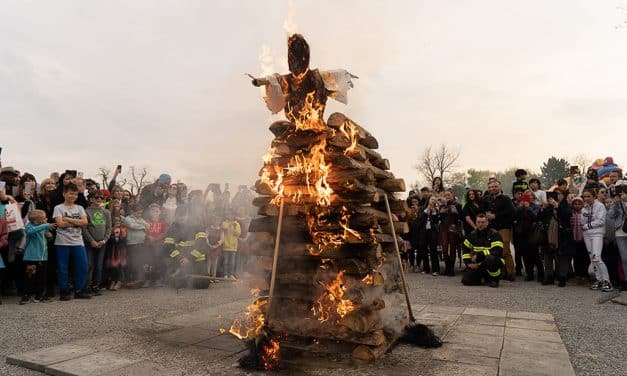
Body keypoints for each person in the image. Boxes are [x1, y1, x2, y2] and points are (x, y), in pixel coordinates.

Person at [53, 183, 90, 300]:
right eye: (71, 193)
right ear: (64, 194)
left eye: (75, 194)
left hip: (78, 241)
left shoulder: (79, 208)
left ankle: (79, 290)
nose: (73, 196)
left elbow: (85, 223)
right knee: (62, 267)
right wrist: (77, 221)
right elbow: (60, 224)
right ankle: (64, 291)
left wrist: (68, 219)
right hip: (62, 241)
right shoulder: (58, 208)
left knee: (83, 266)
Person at [163, 205, 209, 288]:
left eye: (183, 215)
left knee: (203, 283)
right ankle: (184, 280)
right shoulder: (171, 229)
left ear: (188, 215)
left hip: (197, 260)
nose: (181, 217)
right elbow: (168, 247)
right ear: (175, 216)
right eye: (179, 215)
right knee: (170, 280)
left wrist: (189, 258)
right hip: (180, 261)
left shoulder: (198, 226)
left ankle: (185, 281)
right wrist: (180, 259)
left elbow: (201, 245)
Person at [482, 180, 516, 280]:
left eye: (495, 186)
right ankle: (498, 272)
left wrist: (495, 216)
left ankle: (510, 273)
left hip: (504, 228)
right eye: (490, 187)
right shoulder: (486, 199)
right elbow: (481, 210)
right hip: (491, 229)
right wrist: (485, 215)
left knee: (505, 251)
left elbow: (512, 212)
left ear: (500, 187)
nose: (492, 188)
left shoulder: (506, 199)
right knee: (493, 251)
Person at [21, 210, 56, 304]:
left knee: (42, 278)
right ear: (36, 221)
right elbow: (30, 232)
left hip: (43, 257)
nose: (46, 219)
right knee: (30, 278)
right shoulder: (29, 227)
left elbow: (48, 239)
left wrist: (49, 236)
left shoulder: (43, 228)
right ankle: (26, 296)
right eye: (44, 218)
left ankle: (39, 296)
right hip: (31, 258)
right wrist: (45, 225)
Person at [581, 189, 612, 292]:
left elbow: (600, 221)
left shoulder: (600, 206)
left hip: (597, 234)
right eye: (584, 197)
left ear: (593, 196)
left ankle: (606, 281)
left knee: (597, 257)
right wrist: (585, 211)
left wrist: (588, 225)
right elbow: (582, 222)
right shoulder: (584, 208)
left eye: (588, 196)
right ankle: (599, 280)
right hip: (587, 235)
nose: (586, 199)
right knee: (592, 258)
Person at [461, 214, 504, 287]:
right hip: (479, 264)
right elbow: (465, 249)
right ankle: (484, 278)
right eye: (478, 222)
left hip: (493, 262)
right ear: (476, 222)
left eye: (483, 222)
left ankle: (494, 279)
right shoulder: (472, 235)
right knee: (466, 280)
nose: (480, 224)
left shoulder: (494, 234)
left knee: (490, 259)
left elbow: (497, 251)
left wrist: (479, 255)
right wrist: (468, 263)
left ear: (487, 223)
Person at [82, 192, 111, 295]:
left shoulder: (106, 212)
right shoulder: (86, 211)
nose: (99, 199)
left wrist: (104, 240)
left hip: (102, 243)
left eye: (102, 197)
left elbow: (108, 227)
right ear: (90, 199)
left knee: (99, 266)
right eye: (96, 197)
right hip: (89, 243)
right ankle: (87, 286)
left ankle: (96, 285)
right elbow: (84, 228)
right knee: (89, 265)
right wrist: (91, 241)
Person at [124, 203, 150, 288]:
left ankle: (138, 280)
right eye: (138, 213)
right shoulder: (127, 219)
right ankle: (129, 280)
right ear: (132, 212)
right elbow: (132, 226)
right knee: (132, 262)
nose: (140, 214)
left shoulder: (141, 219)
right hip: (132, 243)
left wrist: (141, 225)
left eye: (141, 213)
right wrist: (142, 227)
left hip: (141, 243)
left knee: (139, 262)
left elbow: (148, 226)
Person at [607, 182, 627, 291]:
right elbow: (610, 215)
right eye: (621, 193)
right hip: (620, 233)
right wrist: (615, 205)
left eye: (624, 193)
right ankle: (625, 281)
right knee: (624, 258)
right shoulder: (617, 203)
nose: (622, 195)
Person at [439, 189, 462, 276]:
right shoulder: (442, 206)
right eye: (445, 195)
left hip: (453, 228)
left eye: (448, 195)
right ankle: (447, 267)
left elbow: (461, 217)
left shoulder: (458, 205)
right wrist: (441, 213)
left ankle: (451, 269)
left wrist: (456, 212)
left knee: (452, 247)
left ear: (452, 195)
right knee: (444, 248)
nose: (447, 197)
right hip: (444, 228)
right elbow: (439, 218)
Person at [416, 196, 440, 275]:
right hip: (423, 232)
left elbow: (436, 221)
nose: (433, 201)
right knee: (424, 250)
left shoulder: (436, 209)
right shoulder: (422, 208)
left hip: (432, 232)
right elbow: (419, 218)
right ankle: (426, 269)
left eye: (434, 200)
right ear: (428, 200)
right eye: (432, 199)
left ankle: (435, 270)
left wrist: (433, 212)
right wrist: (426, 211)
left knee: (434, 250)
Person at [145, 204, 168, 285]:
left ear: (160, 212)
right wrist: (148, 236)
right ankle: (148, 279)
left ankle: (158, 279)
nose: (155, 212)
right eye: (153, 210)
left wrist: (156, 238)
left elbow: (165, 233)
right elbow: (144, 231)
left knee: (158, 262)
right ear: (149, 212)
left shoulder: (163, 222)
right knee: (149, 262)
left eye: (157, 210)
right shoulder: (147, 222)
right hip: (149, 245)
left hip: (159, 245)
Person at [104, 224, 126, 291]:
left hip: (120, 255)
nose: (116, 231)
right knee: (113, 268)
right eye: (115, 230)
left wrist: (118, 237)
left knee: (120, 268)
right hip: (113, 255)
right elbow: (109, 245)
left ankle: (119, 281)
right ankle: (113, 281)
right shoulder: (111, 238)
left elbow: (123, 243)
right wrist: (114, 237)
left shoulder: (122, 237)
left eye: (118, 230)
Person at [222, 210, 241, 280]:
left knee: (232, 262)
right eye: (228, 215)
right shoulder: (224, 223)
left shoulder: (237, 224)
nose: (230, 216)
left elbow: (238, 234)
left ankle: (231, 274)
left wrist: (235, 227)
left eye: (231, 215)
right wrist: (230, 225)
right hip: (226, 245)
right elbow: (224, 229)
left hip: (233, 246)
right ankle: (225, 274)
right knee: (225, 262)